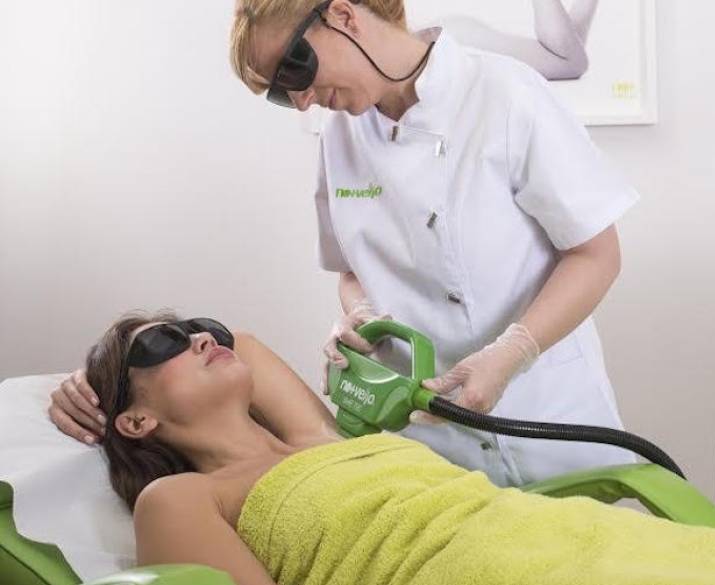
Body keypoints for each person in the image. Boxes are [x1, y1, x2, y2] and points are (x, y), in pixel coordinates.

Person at [50, 0, 637, 488]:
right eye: (280, 94)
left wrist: (512, 352)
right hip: (425, 446)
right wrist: (360, 314)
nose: (301, 100)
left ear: (343, 15)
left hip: (545, 415)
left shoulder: (504, 94)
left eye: (294, 71)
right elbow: (352, 270)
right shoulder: (340, 136)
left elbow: (595, 253)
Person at [74, 311, 715, 585]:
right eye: (162, 344)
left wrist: (143, 361)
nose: (201, 338)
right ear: (135, 422)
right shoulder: (180, 498)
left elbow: (250, 345)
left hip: (566, 539)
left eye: (202, 327)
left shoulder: (314, 437)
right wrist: (83, 386)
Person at [422, 0, 600, 81]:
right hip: (447, 38)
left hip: (445, 41)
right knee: (569, 59)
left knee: (570, 62)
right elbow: (572, 55)